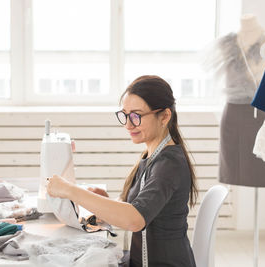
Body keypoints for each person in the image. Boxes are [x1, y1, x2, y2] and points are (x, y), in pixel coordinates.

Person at [46, 75, 197, 267]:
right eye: (125, 115)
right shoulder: (151, 156)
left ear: (165, 116)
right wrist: (106, 202)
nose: (128, 124)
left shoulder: (168, 164)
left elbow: (134, 220)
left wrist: (71, 191)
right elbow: (136, 207)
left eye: (136, 116)